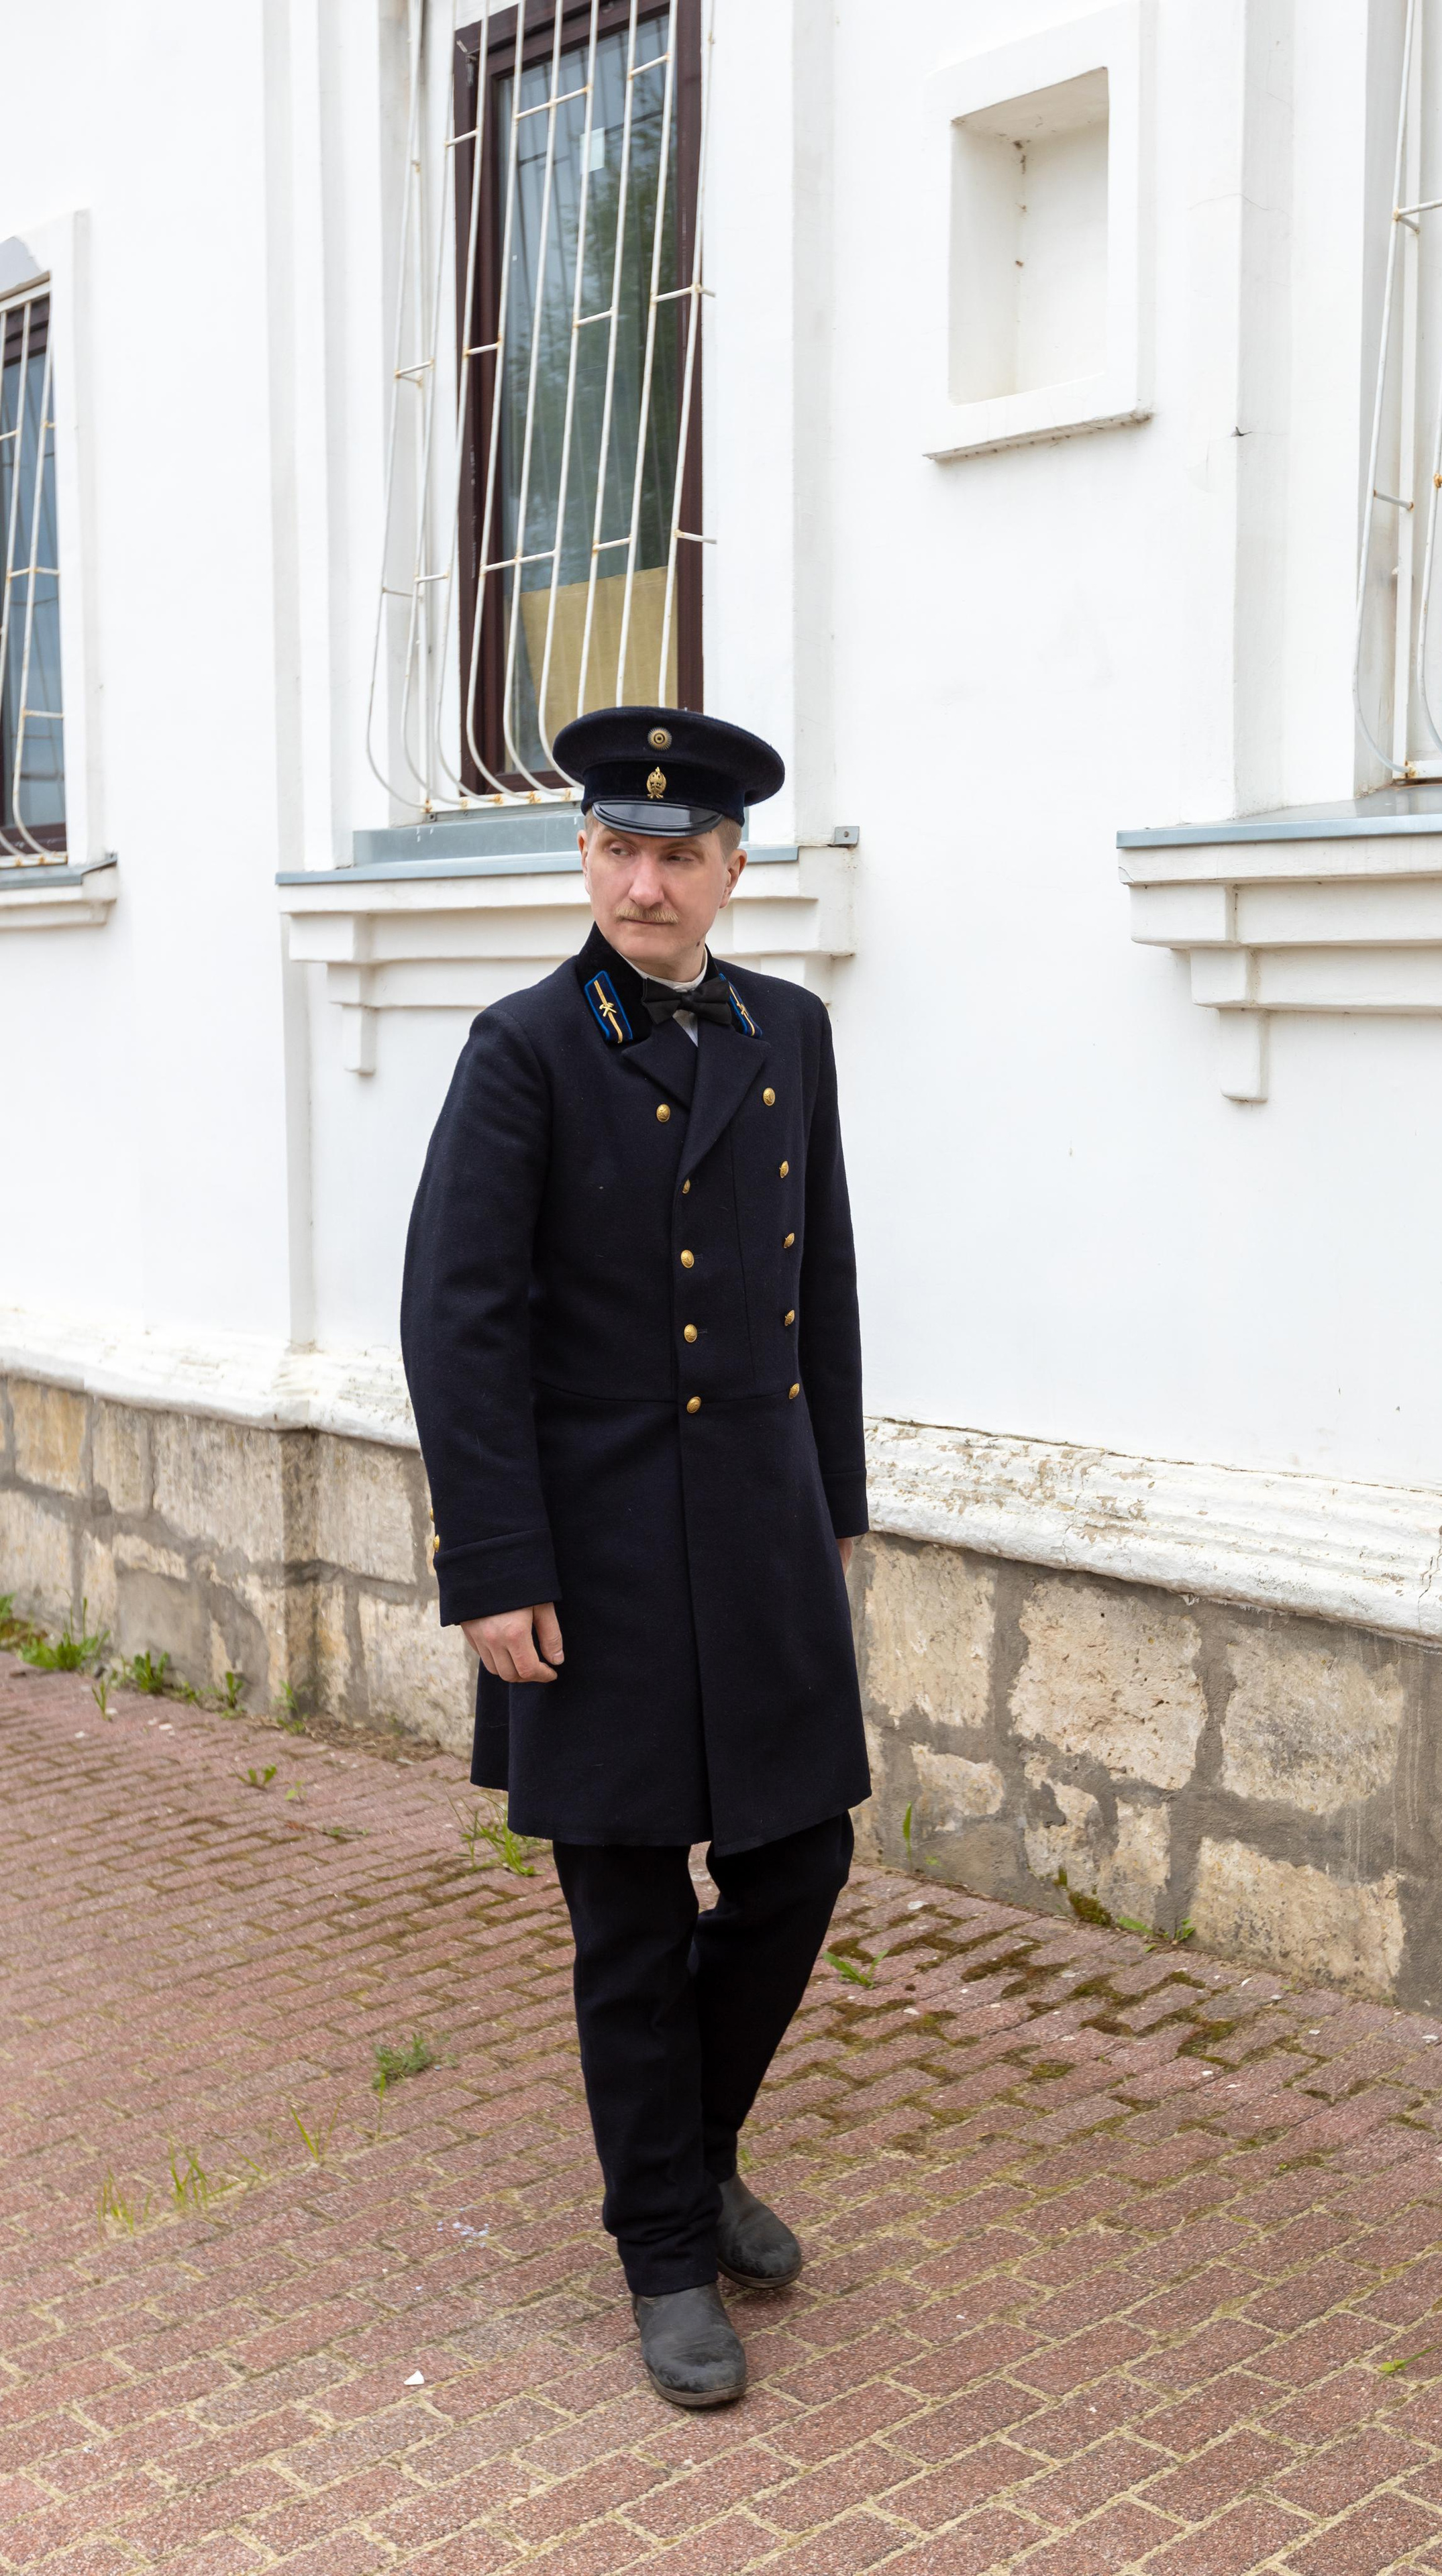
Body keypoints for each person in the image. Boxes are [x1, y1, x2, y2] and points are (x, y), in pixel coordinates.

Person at [400, 706, 870, 2410]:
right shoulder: (524, 1047)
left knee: (798, 1861)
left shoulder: (790, 1031)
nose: (643, 879)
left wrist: (832, 1506)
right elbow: (457, 1321)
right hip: (584, 1554)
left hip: (751, 1537)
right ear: (583, 857)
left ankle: (693, 2140)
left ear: (733, 871)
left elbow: (819, 1288)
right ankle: (665, 2246)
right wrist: (490, 1563)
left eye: (678, 854)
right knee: (620, 1918)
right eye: (615, 848)